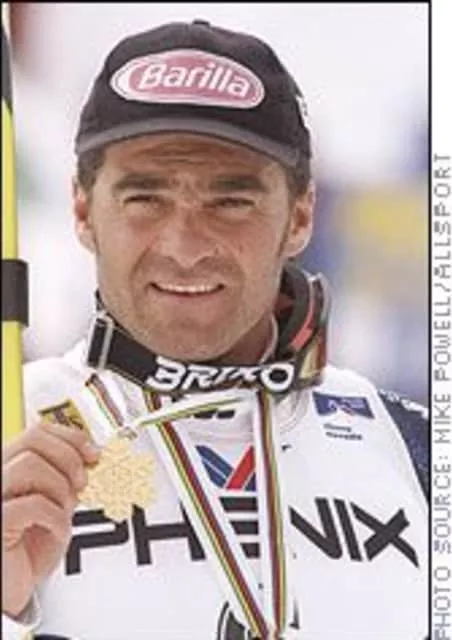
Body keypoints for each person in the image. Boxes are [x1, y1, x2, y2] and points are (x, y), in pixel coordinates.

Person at [2, 20, 428, 640]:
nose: (185, 247)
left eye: (231, 202)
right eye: (144, 199)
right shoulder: (11, 425)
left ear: (301, 215)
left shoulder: (415, 449)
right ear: (83, 210)